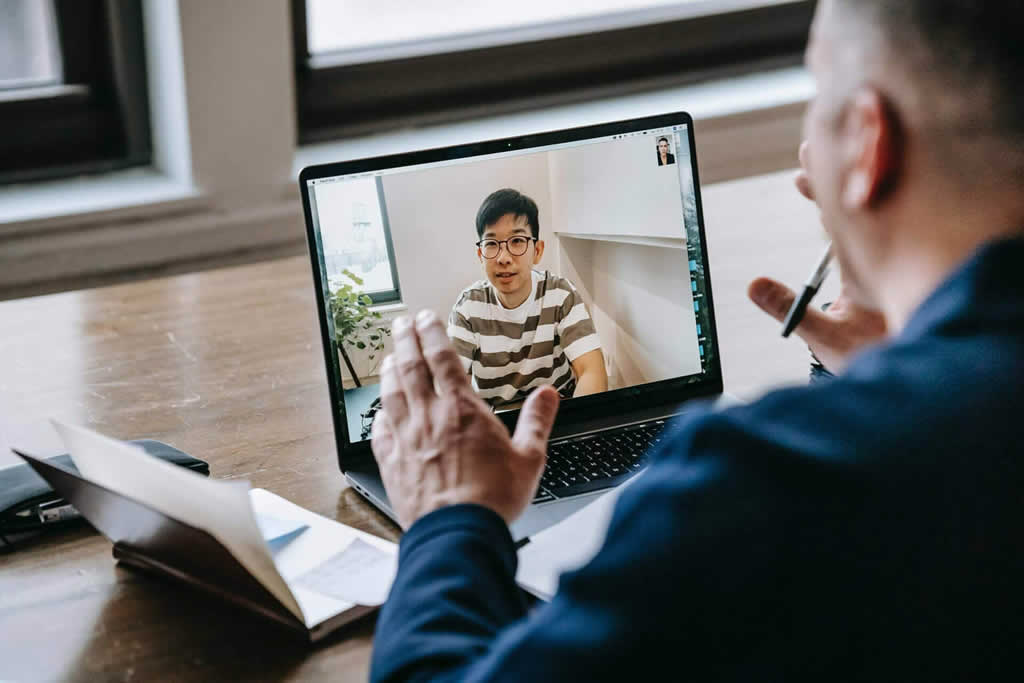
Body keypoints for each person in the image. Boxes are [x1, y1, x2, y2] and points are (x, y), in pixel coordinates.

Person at [369, 1, 1024, 679]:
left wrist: (449, 518)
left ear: (865, 143)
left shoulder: (751, 483)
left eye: (815, 90)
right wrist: (890, 375)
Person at [448, 188, 608, 408]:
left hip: (558, 414)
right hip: (497, 424)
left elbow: (592, 371)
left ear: (538, 250)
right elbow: (452, 390)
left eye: (517, 241)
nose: (504, 258)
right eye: (492, 244)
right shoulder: (467, 308)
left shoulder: (561, 294)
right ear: (480, 255)